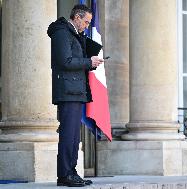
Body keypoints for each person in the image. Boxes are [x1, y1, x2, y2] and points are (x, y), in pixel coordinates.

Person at [47, 4, 103, 187]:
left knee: (73, 137)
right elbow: (65, 61)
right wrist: (89, 61)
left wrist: (90, 58)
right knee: (68, 134)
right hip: (68, 91)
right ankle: (64, 175)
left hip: (76, 90)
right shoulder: (62, 32)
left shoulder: (75, 34)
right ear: (77, 17)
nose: (87, 25)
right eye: (86, 21)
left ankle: (71, 172)